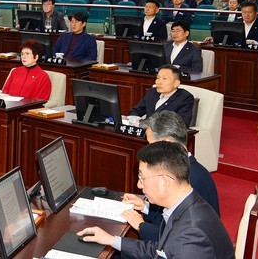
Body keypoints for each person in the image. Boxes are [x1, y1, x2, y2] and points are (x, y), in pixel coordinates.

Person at [78, 141, 234, 259]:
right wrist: (111, 240)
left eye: (142, 178)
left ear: (164, 181)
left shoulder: (190, 236)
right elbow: (160, 250)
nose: (139, 185)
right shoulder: (186, 204)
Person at [122, 111, 220, 242]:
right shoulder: (190, 169)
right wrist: (145, 207)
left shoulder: (187, 179)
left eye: (151, 144)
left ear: (167, 143)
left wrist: (141, 226)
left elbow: (171, 238)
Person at [129, 65, 195, 126]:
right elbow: (136, 110)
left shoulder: (184, 98)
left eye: (164, 79)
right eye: (158, 78)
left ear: (176, 83)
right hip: (146, 131)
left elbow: (183, 124)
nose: (158, 82)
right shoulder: (152, 92)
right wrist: (134, 119)